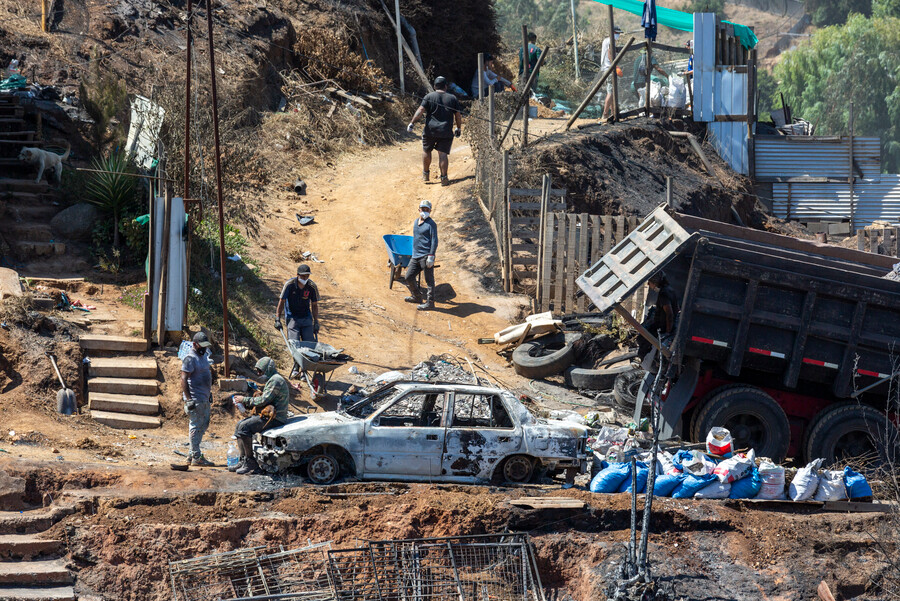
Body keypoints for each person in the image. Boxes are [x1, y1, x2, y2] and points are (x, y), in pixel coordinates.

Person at [233, 357, 290, 475]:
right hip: (270, 415)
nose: (259, 374)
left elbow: (264, 400)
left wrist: (245, 399)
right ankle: (243, 459)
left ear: (268, 369)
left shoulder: (276, 380)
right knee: (239, 425)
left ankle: (251, 463)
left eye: (260, 371)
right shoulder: (272, 379)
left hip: (276, 418)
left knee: (244, 428)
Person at [407, 76, 462, 187]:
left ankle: (425, 174)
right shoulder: (452, 98)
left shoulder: (429, 96)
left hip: (430, 131)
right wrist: (458, 128)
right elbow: (458, 115)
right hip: (445, 131)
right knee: (442, 154)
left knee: (426, 150)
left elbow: (420, 110)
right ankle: (444, 178)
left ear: (434, 86)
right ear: (445, 86)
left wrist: (412, 123)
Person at [276, 264, 320, 377]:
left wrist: (316, 322)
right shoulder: (289, 285)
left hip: (306, 318)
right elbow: (281, 302)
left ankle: (304, 370)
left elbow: (314, 305)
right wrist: (277, 318)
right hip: (292, 318)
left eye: (307, 276)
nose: (305, 279)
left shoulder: (311, 287)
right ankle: (296, 367)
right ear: (298, 275)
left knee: (309, 344)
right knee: (295, 344)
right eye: (303, 276)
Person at [182, 332, 214, 467]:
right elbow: (183, 379)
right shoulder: (190, 358)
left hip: (204, 397)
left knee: (204, 424)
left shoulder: (203, 356)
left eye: (206, 346)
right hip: (195, 398)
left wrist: (209, 392)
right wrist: (189, 399)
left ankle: (191, 454)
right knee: (196, 426)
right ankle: (196, 456)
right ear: (195, 344)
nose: (204, 349)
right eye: (202, 346)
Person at [403, 200, 438, 311]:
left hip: (426, 256)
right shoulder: (415, 222)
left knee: (429, 280)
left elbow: (434, 241)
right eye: (423, 209)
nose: (425, 211)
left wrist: (431, 256)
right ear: (419, 210)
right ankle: (417, 297)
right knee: (408, 276)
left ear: (430, 211)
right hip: (415, 256)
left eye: (427, 209)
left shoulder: (431, 224)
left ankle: (430, 303)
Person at [637, 271, 679, 360]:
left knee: (642, 339)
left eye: (650, 282)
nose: (648, 284)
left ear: (655, 282)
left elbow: (669, 314)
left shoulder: (663, 294)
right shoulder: (670, 289)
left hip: (662, 327)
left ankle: (641, 360)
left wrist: (667, 331)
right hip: (664, 325)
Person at [601, 26, 623, 121]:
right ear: (613, 32)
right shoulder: (611, 41)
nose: (618, 35)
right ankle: (605, 114)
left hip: (606, 69)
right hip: (610, 69)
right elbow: (610, 54)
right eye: (617, 33)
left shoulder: (605, 40)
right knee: (610, 92)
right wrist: (615, 66)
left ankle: (613, 113)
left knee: (612, 91)